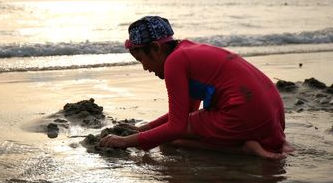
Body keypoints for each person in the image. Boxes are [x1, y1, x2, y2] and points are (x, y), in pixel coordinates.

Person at [100, 16, 294, 159]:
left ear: (156, 48)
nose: (145, 67)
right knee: (169, 135)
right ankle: (248, 141)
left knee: (167, 139)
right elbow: (187, 113)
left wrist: (125, 141)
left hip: (244, 113)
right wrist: (143, 129)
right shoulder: (186, 51)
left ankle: (243, 149)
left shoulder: (174, 62)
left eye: (142, 59)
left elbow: (177, 126)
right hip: (272, 116)